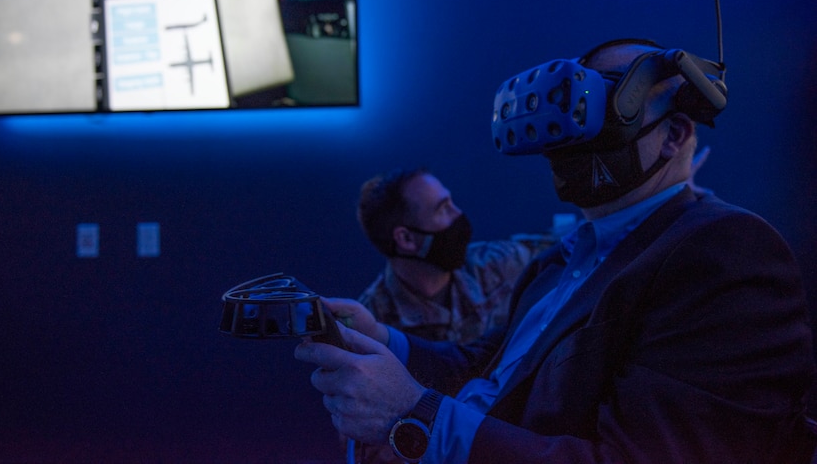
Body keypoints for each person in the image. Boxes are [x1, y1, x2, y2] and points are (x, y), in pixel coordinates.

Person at [295, 39, 817, 463]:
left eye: (605, 105)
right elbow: (490, 364)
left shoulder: (723, 253)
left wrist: (417, 416)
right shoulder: (560, 260)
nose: (573, 132)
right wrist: (385, 338)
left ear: (673, 135)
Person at [355, 167, 556, 345]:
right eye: (442, 208)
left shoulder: (496, 264)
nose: (457, 213)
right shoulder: (370, 326)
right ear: (406, 239)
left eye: (452, 202)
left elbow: (566, 246)